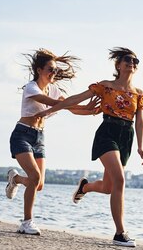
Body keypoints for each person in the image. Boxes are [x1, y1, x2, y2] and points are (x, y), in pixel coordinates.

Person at [35, 47, 143, 247]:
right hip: (107, 133)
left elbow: (139, 121)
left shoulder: (138, 94)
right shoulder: (105, 86)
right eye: (128, 60)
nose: (132, 63)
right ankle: (120, 233)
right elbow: (76, 99)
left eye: (135, 61)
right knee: (120, 180)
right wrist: (50, 110)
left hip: (126, 137)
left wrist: (140, 146)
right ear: (118, 65)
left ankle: (84, 187)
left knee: (109, 187)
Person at [7, 48, 98, 236]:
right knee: (34, 177)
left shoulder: (54, 89)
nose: (53, 73)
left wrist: (89, 109)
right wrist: (84, 99)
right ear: (39, 70)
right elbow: (57, 104)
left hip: (39, 138)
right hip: (22, 135)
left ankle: (15, 179)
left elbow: (70, 108)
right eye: (50, 69)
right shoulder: (31, 87)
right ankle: (26, 223)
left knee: (38, 184)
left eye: (55, 70)